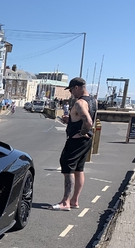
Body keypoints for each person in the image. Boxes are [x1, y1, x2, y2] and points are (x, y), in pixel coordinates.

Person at [48, 77, 96, 211]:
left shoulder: (80, 103)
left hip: (76, 140)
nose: (71, 93)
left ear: (76, 87)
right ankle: (74, 200)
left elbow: (88, 121)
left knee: (68, 167)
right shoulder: (93, 101)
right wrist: (70, 119)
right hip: (87, 140)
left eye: (71, 90)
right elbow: (86, 118)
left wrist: (80, 133)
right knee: (79, 169)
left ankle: (65, 202)